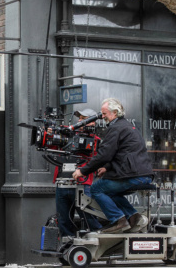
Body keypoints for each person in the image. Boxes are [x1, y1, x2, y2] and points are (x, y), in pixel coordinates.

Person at [71, 98, 152, 234]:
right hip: (143, 175)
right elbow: (123, 153)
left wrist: (83, 171)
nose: (102, 117)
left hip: (133, 175)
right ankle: (133, 216)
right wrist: (107, 167)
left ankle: (118, 220)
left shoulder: (116, 128)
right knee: (109, 191)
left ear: (114, 113)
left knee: (96, 188)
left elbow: (104, 155)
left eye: (104, 114)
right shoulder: (127, 126)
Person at [54, 108, 102, 237]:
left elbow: (98, 160)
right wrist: (53, 132)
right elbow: (52, 146)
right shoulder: (67, 134)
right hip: (62, 182)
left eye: (83, 118)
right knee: (63, 220)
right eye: (79, 118)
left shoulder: (96, 140)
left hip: (82, 184)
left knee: (88, 217)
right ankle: (67, 247)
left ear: (92, 122)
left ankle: (100, 241)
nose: (80, 121)